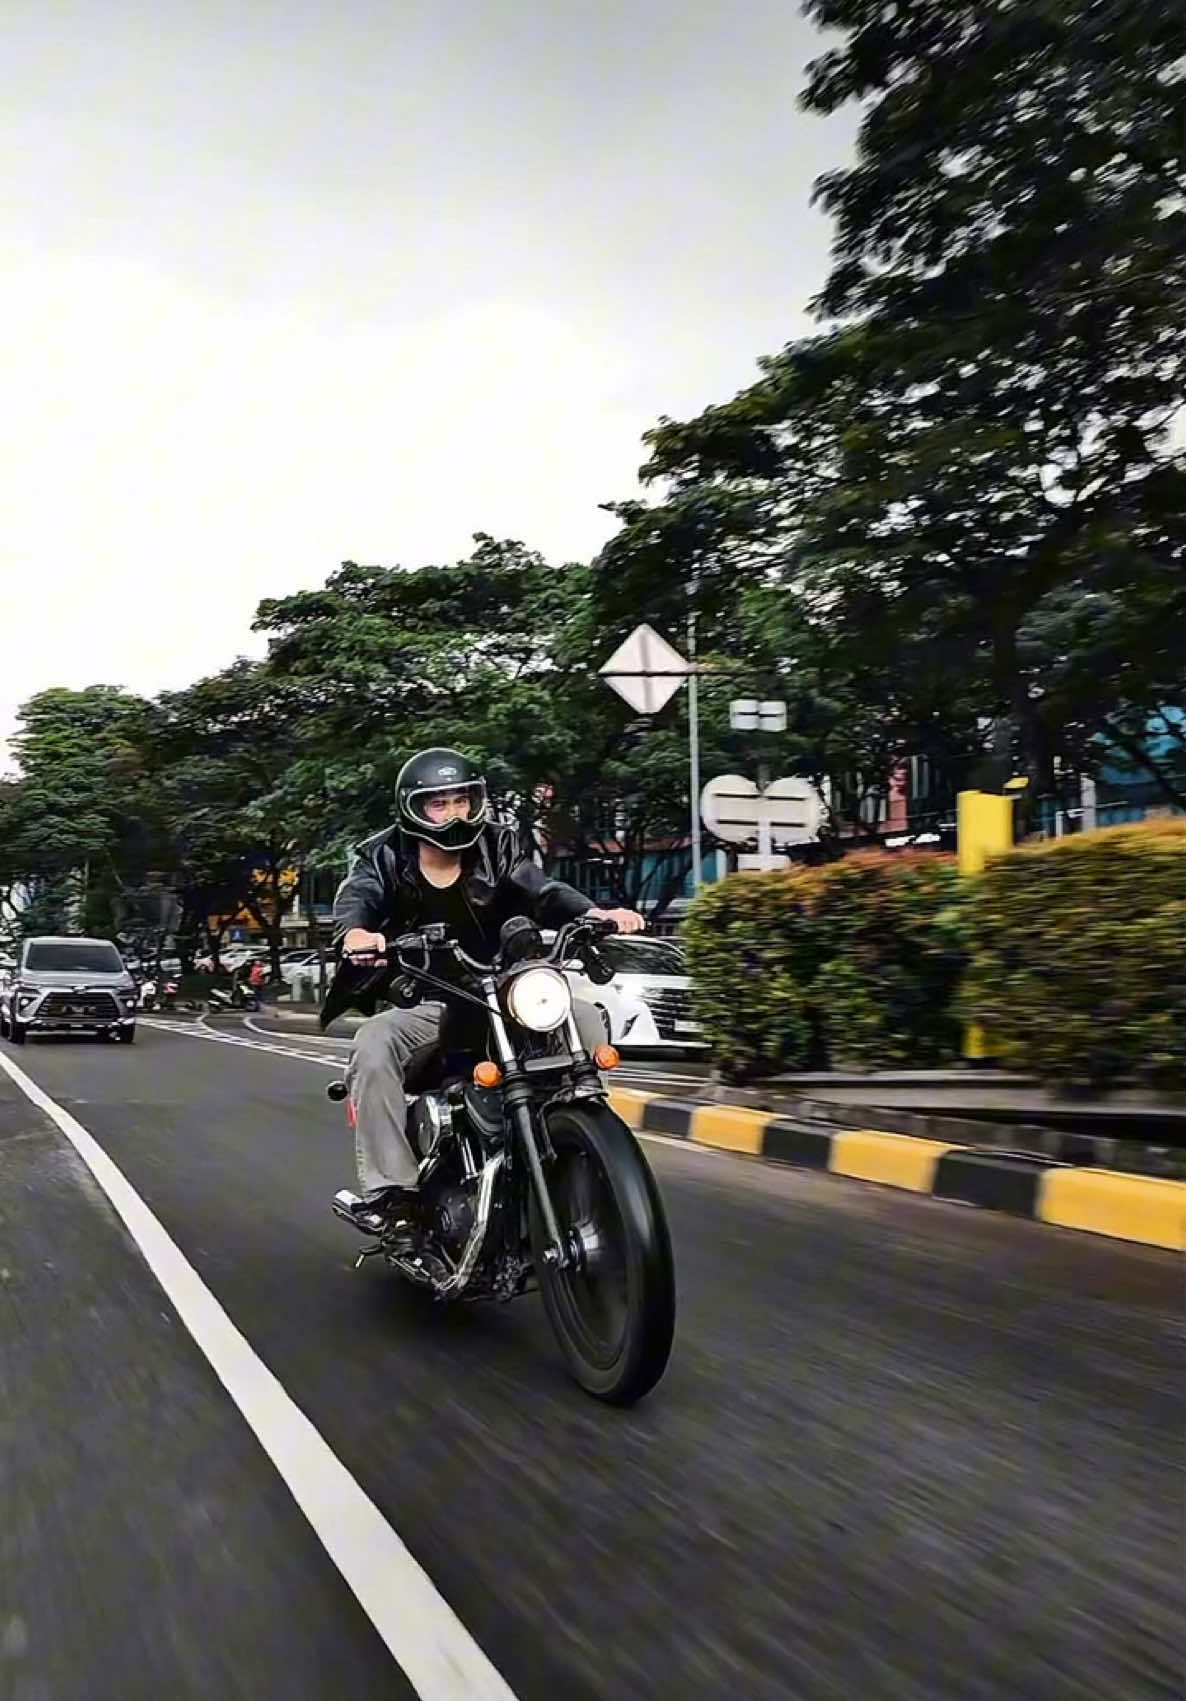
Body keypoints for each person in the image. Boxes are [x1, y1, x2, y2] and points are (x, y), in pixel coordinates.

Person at [330, 747, 643, 1238]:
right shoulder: (383, 855)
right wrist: (355, 935)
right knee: (374, 1042)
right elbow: (358, 897)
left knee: (582, 1016)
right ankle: (394, 1193)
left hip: (508, 987)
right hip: (432, 997)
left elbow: (543, 890)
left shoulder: (501, 846)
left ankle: (587, 1143)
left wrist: (592, 913)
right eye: (439, 803)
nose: (454, 813)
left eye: (463, 800)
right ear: (413, 809)